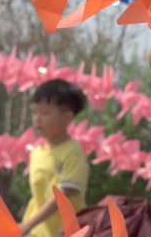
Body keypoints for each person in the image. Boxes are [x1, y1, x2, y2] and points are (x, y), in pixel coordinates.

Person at [19, 79, 90, 237]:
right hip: (36, 233)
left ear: (67, 118)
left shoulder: (72, 151)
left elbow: (63, 194)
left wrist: (28, 225)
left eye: (45, 113)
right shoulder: (36, 152)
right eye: (35, 112)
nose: (37, 118)